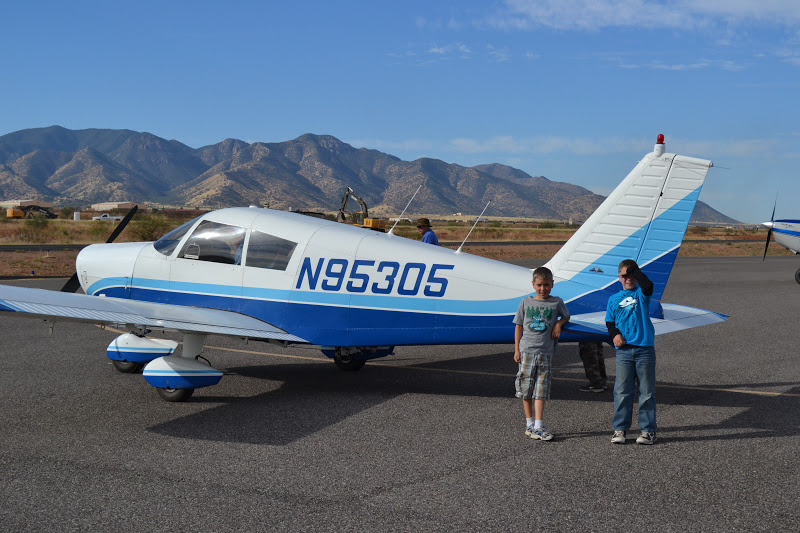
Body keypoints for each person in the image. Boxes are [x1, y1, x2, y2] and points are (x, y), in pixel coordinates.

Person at [513, 266, 570, 441]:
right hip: (527, 351)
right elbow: (519, 326)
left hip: (545, 352)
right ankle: (529, 423)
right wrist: (516, 349)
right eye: (539, 285)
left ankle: (539, 425)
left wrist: (558, 325)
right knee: (526, 389)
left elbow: (566, 316)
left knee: (541, 390)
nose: (542, 288)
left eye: (546, 285)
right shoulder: (526, 302)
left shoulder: (556, 302)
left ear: (552, 285)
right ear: (533, 284)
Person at [605, 259, 657, 445]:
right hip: (624, 351)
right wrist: (614, 335)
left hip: (644, 349)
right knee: (622, 391)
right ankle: (620, 429)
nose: (628, 278)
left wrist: (636, 271)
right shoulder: (613, 299)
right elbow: (610, 322)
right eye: (624, 275)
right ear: (618, 277)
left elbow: (648, 285)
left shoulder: (641, 293)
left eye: (632, 275)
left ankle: (648, 431)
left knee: (646, 391)